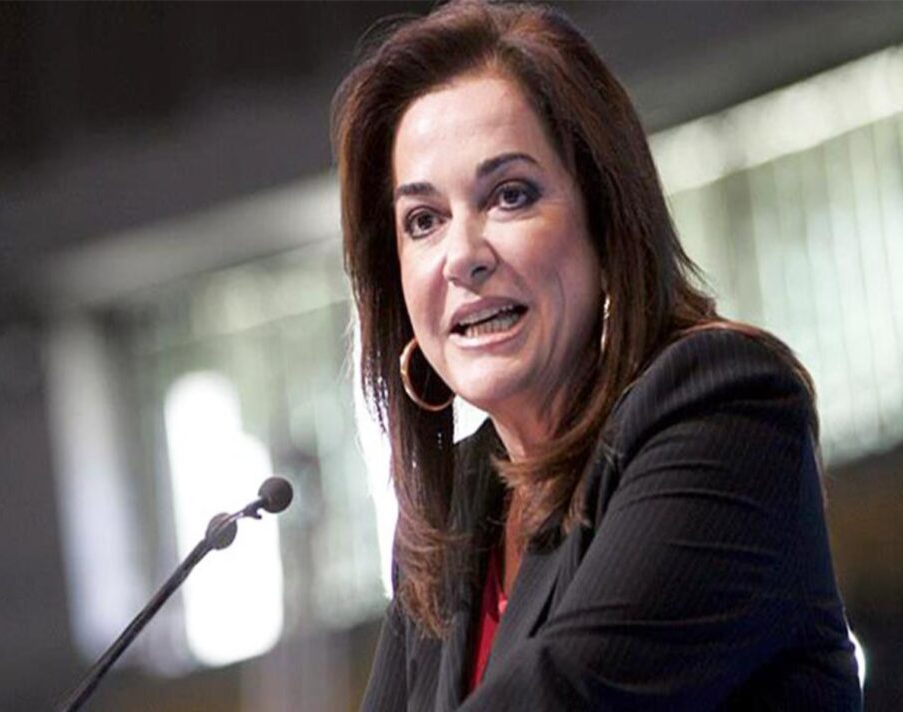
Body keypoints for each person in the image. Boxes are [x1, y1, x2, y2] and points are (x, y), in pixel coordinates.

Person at [332, 1, 861, 709]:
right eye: (423, 220)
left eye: (509, 196)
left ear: (604, 219)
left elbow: (569, 693)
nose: (462, 256)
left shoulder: (726, 411)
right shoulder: (446, 520)